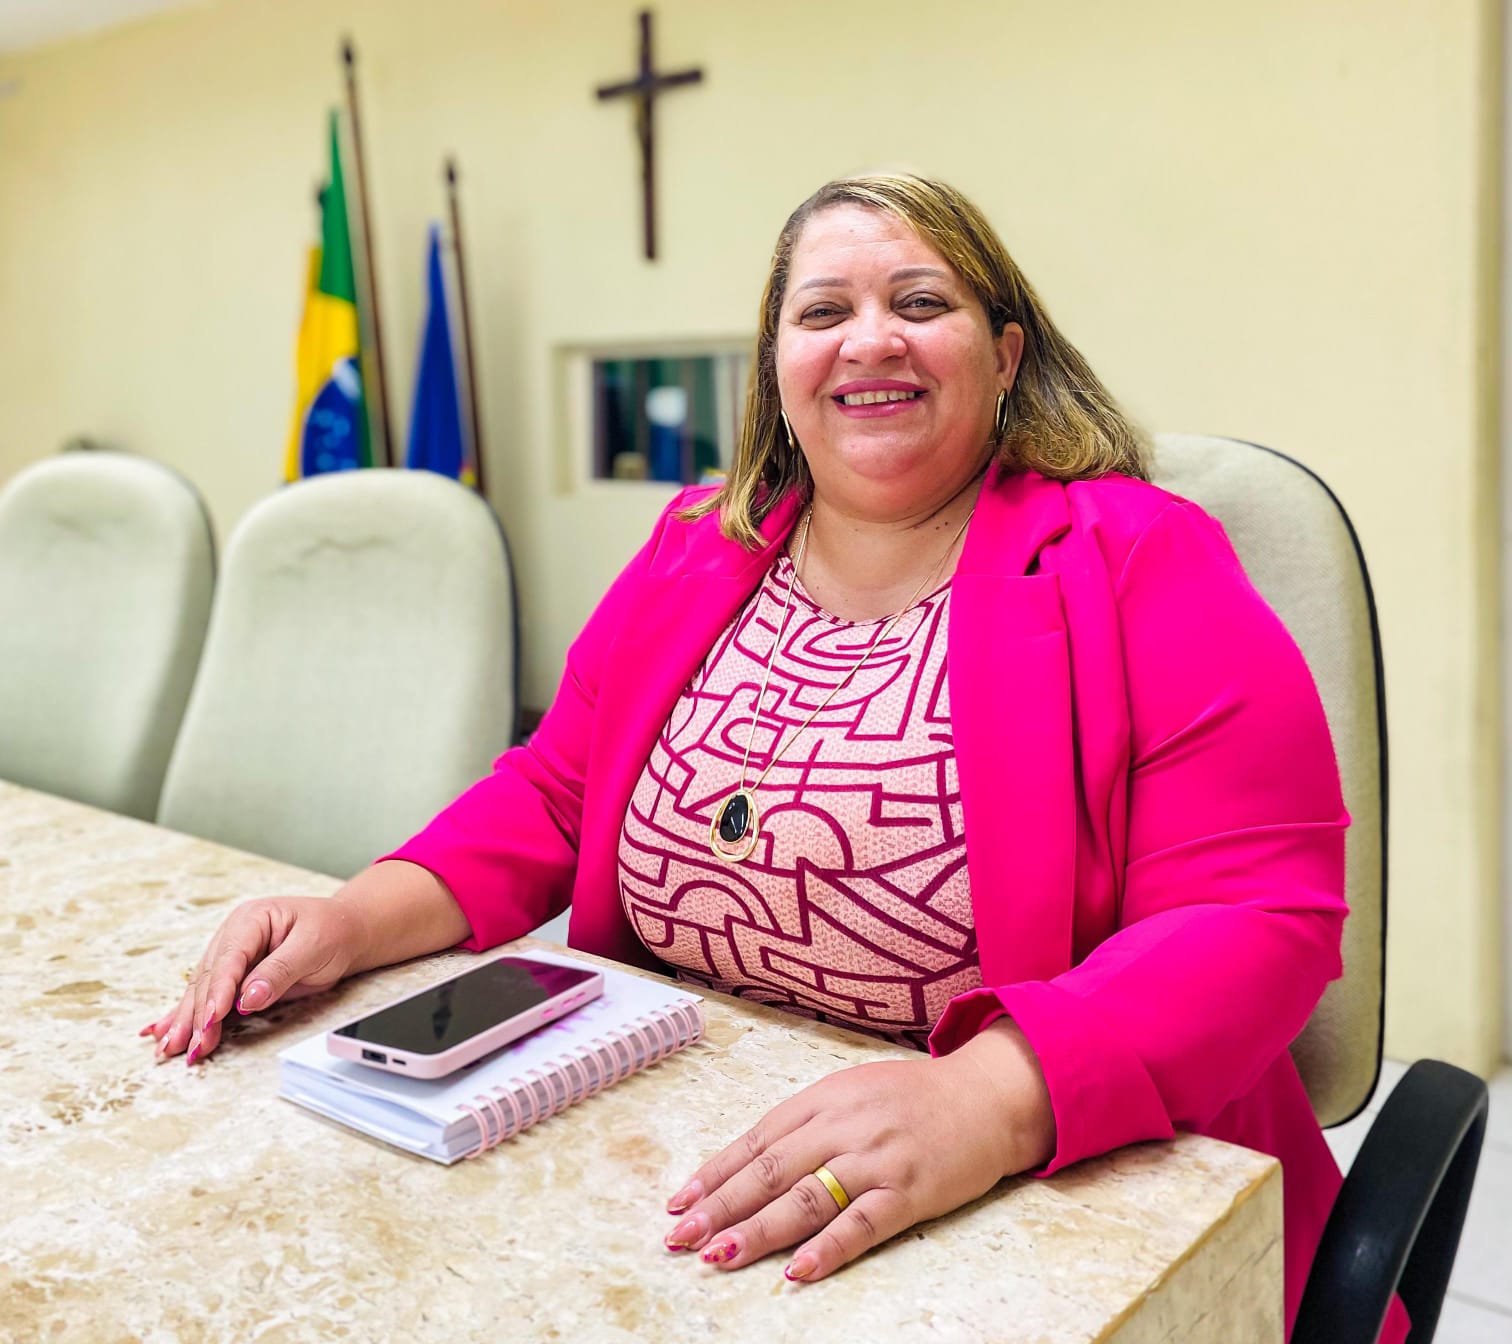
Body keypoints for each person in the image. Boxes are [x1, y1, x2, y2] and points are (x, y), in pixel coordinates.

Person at [145, 173, 1402, 1342]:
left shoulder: (1139, 556)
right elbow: (554, 794)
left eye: (922, 303)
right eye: (823, 312)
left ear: (1006, 355)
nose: (870, 340)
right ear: (779, 367)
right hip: (678, 1176)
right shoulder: (699, 543)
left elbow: (1258, 915)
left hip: (1048, 1203)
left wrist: (992, 1097)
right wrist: (351, 920)